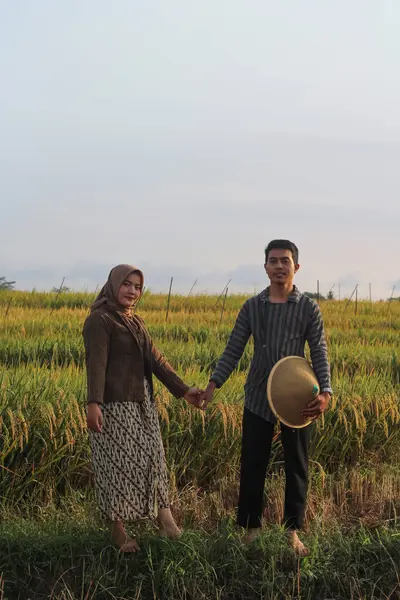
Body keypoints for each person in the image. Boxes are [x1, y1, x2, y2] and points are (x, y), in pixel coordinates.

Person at [202, 240, 332, 556]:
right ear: (265, 267)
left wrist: (325, 391)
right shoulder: (251, 307)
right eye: (272, 261)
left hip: (298, 395)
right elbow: (233, 348)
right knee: (253, 462)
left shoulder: (307, 307)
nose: (278, 266)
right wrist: (212, 385)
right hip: (258, 393)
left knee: (297, 465)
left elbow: (318, 349)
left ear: (296, 267)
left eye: (284, 261)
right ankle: (251, 529)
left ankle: (292, 532)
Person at [83, 264, 204, 553]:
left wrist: (184, 391)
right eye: (127, 284)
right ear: (113, 284)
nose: (132, 291)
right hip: (113, 406)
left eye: (137, 287)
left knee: (155, 460)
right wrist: (94, 404)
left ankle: (166, 521)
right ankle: (118, 532)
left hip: (142, 403)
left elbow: (156, 360)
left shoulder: (135, 322)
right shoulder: (99, 320)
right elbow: (96, 364)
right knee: (117, 466)